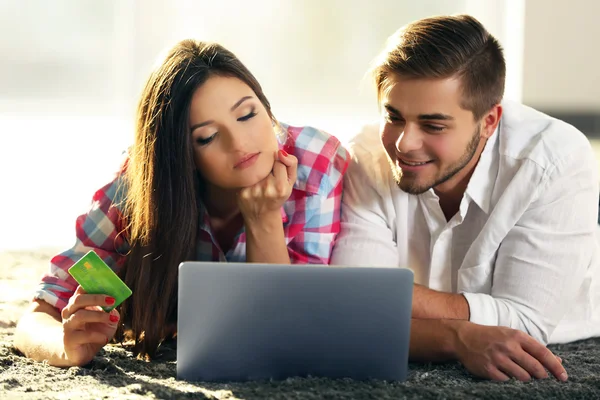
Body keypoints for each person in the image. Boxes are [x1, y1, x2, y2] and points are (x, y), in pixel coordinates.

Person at [15, 39, 349, 367]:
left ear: (266, 106)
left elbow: (288, 329)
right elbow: (38, 316)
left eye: (247, 115)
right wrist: (65, 346)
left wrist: (263, 219)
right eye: (207, 137)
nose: (240, 143)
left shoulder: (316, 162)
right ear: (182, 156)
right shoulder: (141, 184)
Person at [331, 14, 600, 382]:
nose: (403, 144)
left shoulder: (553, 159)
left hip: (572, 334)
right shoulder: (364, 154)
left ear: (489, 121)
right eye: (393, 116)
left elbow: (524, 322)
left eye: (433, 125)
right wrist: (456, 337)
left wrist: (380, 298)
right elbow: (350, 308)